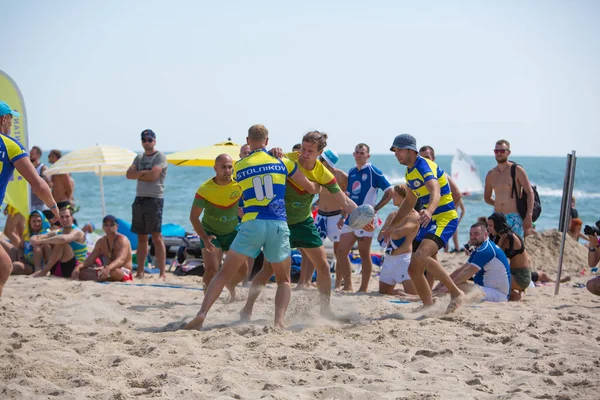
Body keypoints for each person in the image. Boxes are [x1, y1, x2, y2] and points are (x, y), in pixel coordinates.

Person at [183, 124, 319, 330]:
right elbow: (309, 187)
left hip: (252, 224)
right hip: (276, 223)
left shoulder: (238, 167)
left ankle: (202, 314)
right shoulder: (282, 162)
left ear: (248, 141)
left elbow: (230, 188)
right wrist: (321, 185)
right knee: (283, 280)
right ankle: (279, 322)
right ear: (267, 141)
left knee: (223, 273)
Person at [239, 131, 360, 321]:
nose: (304, 153)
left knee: (323, 266)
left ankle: (325, 309)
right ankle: (247, 308)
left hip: (303, 222)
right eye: (303, 148)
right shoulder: (287, 158)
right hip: (280, 221)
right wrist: (272, 151)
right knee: (267, 269)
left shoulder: (322, 172)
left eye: (310, 151)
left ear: (320, 152)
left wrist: (363, 217)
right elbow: (264, 161)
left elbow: (343, 199)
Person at [387, 134, 465, 312]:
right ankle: (428, 305)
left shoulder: (424, 165)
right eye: (395, 150)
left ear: (410, 150)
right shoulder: (410, 170)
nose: (396, 154)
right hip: (431, 220)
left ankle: (456, 292)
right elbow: (409, 202)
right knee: (414, 269)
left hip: (444, 217)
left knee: (422, 256)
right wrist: (392, 226)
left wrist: (429, 211)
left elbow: (435, 192)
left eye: (399, 150)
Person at [0, 101, 59, 297]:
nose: (10, 125)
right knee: (4, 267)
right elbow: (39, 184)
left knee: (4, 265)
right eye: (10, 120)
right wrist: (53, 207)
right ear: (3, 119)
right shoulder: (10, 145)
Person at [336, 143, 393, 292]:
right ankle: (348, 285)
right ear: (353, 155)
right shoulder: (352, 172)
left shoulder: (373, 171)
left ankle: (363, 288)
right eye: (357, 152)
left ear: (368, 155)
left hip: (366, 220)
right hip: (351, 217)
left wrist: (375, 210)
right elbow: (348, 197)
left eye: (362, 153)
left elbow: (390, 192)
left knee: (363, 253)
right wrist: (343, 216)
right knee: (341, 251)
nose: (359, 155)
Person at [190, 154, 246, 299]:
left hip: (232, 232)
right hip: (210, 233)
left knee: (243, 270)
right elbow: (193, 216)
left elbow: (252, 203)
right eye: (223, 167)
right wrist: (205, 238)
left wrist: (247, 212)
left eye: (229, 167)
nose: (227, 171)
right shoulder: (205, 189)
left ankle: (231, 286)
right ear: (215, 168)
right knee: (211, 269)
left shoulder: (239, 185)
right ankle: (208, 299)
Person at [126, 129, 168, 279]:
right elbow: (129, 175)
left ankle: (162, 272)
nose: (147, 142)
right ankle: (140, 271)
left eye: (150, 140)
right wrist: (145, 173)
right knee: (141, 237)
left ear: (154, 141)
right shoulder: (138, 157)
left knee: (157, 236)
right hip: (140, 198)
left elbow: (154, 175)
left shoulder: (160, 157)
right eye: (144, 140)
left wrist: (140, 174)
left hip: (154, 199)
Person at [433, 222, 511, 302]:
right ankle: (437, 294)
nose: (472, 237)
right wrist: (440, 285)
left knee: (456, 285)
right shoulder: (481, 247)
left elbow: (468, 272)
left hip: (498, 294)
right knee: (454, 284)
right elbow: (461, 269)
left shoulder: (485, 249)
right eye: (471, 234)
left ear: (485, 234)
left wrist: (446, 287)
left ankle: (447, 298)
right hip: (487, 289)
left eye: (476, 234)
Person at [484, 140, 535, 238]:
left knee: (515, 250)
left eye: (502, 151)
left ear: (508, 152)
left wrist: (529, 215)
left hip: (514, 217)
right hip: (497, 218)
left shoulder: (517, 170)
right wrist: (499, 202)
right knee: (496, 250)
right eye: (496, 151)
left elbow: (530, 192)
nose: (499, 153)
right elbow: (487, 197)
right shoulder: (491, 174)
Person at [418, 145, 464, 253]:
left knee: (429, 250)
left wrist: (448, 209)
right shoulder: (420, 175)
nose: (424, 160)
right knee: (428, 252)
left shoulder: (441, 174)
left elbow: (457, 194)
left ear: (433, 159)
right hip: (427, 218)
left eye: (427, 157)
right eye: (421, 158)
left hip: (441, 217)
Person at [314, 149, 348, 289]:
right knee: (313, 247)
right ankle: (313, 279)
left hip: (336, 216)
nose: (319, 162)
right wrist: (313, 206)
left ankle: (339, 281)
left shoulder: (341, 176)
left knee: (339, 252)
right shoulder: (318, 173)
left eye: (322, 160)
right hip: (321, 215)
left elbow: (346, 198)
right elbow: (322, 195)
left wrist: (343, 216)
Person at [377, 184, 420, 295]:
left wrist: (389, 231)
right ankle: (398, 292)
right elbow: (380, 237)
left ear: (405, 198)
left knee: (413, 295)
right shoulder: (392, 215)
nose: (392, 197)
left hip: (404, 260)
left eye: (395, 195)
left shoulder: (414, 216)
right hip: (389, 259)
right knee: (383, 293)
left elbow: (399, 234)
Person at [71, 215, 133, 282]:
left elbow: (121, 259)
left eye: (112, 224)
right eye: (106, 225)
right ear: (103, 227)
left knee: (114, 272)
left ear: (117, 226)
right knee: (81, 273)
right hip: (107, 270)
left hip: (123, 271)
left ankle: (102, 276)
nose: (109, 227)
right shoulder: (101, 241)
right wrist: (78, 267)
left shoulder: (122, 240)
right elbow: (91, 259)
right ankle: (103, 276)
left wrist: (108, 268)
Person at [31, 206, 86, 278]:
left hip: (74, 268)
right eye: (62, 217)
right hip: (58, 267)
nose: (64, 219)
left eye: (67, 216)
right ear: (59, 219)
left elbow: (63, 239)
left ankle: (44, 271)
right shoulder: (59, 231)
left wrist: (43, 241)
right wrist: (33, 239)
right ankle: (37, 269)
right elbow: (38, 236)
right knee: (45, 243)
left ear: (72, 218)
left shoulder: (77, 232)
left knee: (62, 243)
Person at [487, 212, 532, 301]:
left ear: (498, 225)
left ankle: (516, 295)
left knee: (489, 279)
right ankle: (518, 291)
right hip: (519, 274)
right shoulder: (505, 235)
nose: (488, 228)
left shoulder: (507, 237)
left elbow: (495, 257)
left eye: (490, 225)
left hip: (520, 277)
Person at [0, 211, 51, 275]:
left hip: (33, 265)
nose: (37, 223)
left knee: (15, 266)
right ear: (29, 222)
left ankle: (37, 269)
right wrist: (21, 256)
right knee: (1, 242)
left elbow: (42, 249)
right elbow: (20, 247)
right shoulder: (27, 233)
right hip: (24, 258)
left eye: (39, 221)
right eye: (34, 221)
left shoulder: (46, 233)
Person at [29, 146, 51, 211]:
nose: (30, 155)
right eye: (30, 153)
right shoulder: (28, 168)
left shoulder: (43, 168)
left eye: (32, 154)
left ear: (38, 155)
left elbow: (50, 185)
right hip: (29, 203)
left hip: (40, 204)